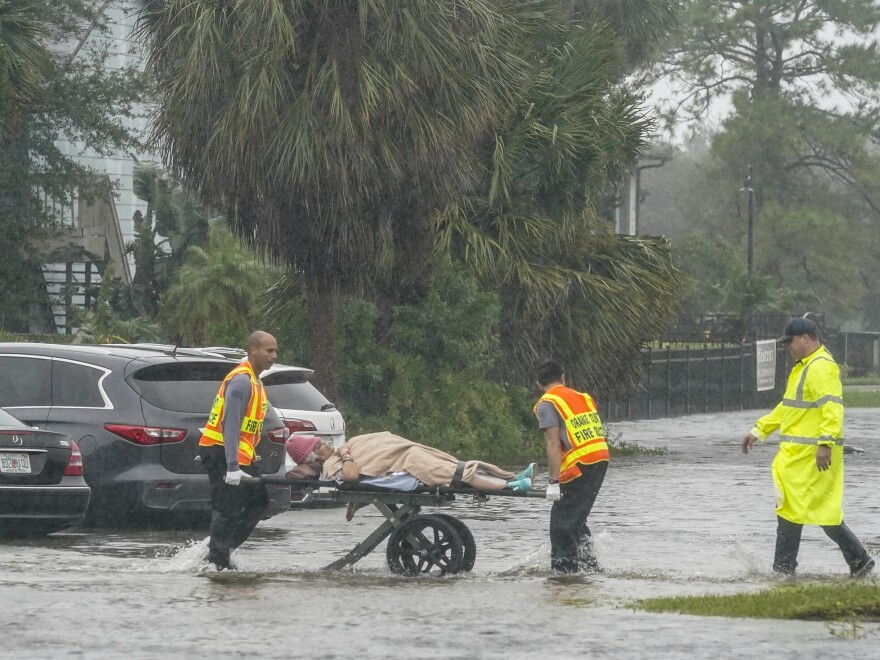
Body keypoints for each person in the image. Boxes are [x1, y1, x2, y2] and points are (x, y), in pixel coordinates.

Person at [742, 316, 874, 578]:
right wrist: (759, 430)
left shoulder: (821, 367)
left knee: (812, 511)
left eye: (790, 341)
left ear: (805, 338)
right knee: (800, 511)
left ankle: (786, 569)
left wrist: (825, 444)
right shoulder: (804, 367)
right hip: (797, 459)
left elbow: (832, 408)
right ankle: (853, 562)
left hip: (812, 458)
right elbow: (789, 408)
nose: (787, 347)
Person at [198, 330, 285, 570]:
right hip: (221, 452)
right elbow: (230, 425)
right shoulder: (241, 381)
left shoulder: (256, 382)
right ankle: (217, 562)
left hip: (240, 454)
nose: (274, 356)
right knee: (228, 508)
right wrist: (232, 467)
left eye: (276, 350)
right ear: (253, 350)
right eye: (269, 350)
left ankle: (221, 549)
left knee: (259, 502)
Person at [534, 359, 610, 573]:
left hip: (581, 464)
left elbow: (553, 443)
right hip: (599, 458)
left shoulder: (547, 403)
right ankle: (589, 568)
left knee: (561, 525)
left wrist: (553, 482)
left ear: (538, 384)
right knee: (574, 517)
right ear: (563, 378)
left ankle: (564, 575)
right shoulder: (583, 397)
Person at [285, 432, 535, 493]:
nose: (326, 445)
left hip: (400, 457)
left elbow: (380, 445)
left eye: (321, 442)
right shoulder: (331, 466)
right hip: (401, 469)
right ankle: (510, 486)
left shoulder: (339, 452)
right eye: (319, 447)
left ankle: (510, 476)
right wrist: (347, 453)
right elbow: (350, 476)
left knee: (448, 461)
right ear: (313, 458)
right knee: (451, 472)